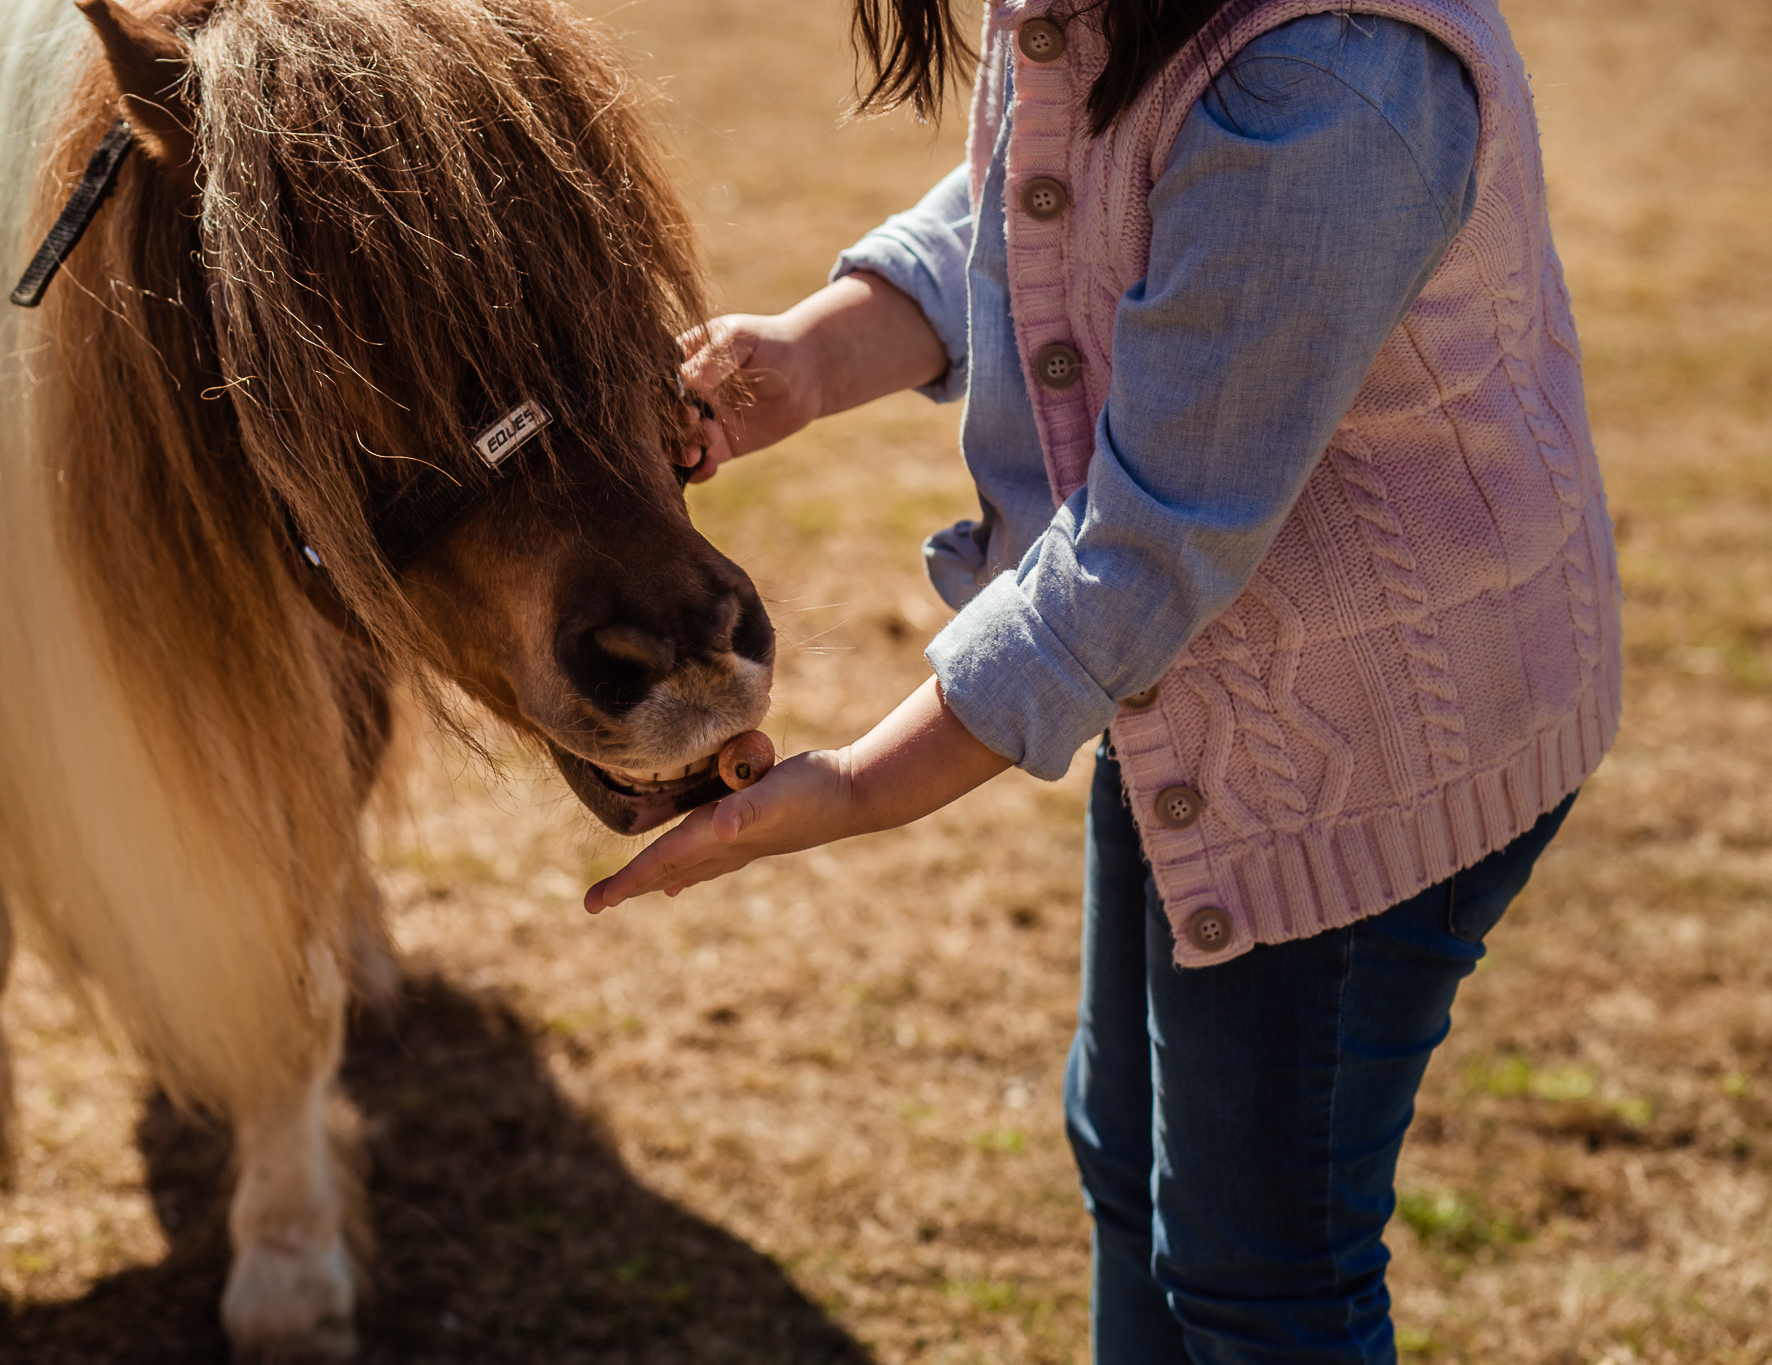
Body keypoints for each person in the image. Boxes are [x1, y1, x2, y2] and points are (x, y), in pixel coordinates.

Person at [588, 0, 1621, 1359]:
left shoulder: (1332, 88)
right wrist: (817, 352)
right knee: (1127, 1155)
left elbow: (1142, 555)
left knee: (1261, 1263)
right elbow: (1032, 197)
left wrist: (852, 786)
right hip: (1206, 700)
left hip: (1366, 749)